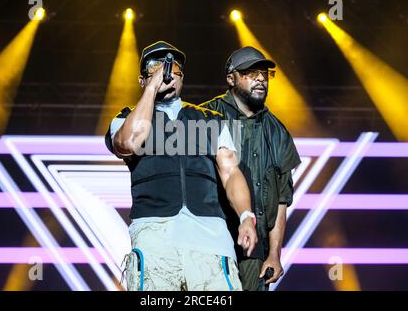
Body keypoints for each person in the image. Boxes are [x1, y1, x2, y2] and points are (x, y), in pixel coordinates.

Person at [104, 41, 258, 291]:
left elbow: (230, 172)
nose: (166, 73)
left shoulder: (211, 120)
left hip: (210, 241)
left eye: (173, 68)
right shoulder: (124, 118)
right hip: (155, 240)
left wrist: (246, 216)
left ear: (182, 78)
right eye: (156, 68)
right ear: (142, 79)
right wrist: (153, 89)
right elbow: (128, 143)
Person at [201, 46, 301, 291]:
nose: (260, 78)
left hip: (255, 253)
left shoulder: (278, 132)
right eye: (250, 72)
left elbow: (281, 200)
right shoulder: (204, 117)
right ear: (230, 78)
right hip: (208, 247)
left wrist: (275, 254)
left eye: (264, 73)